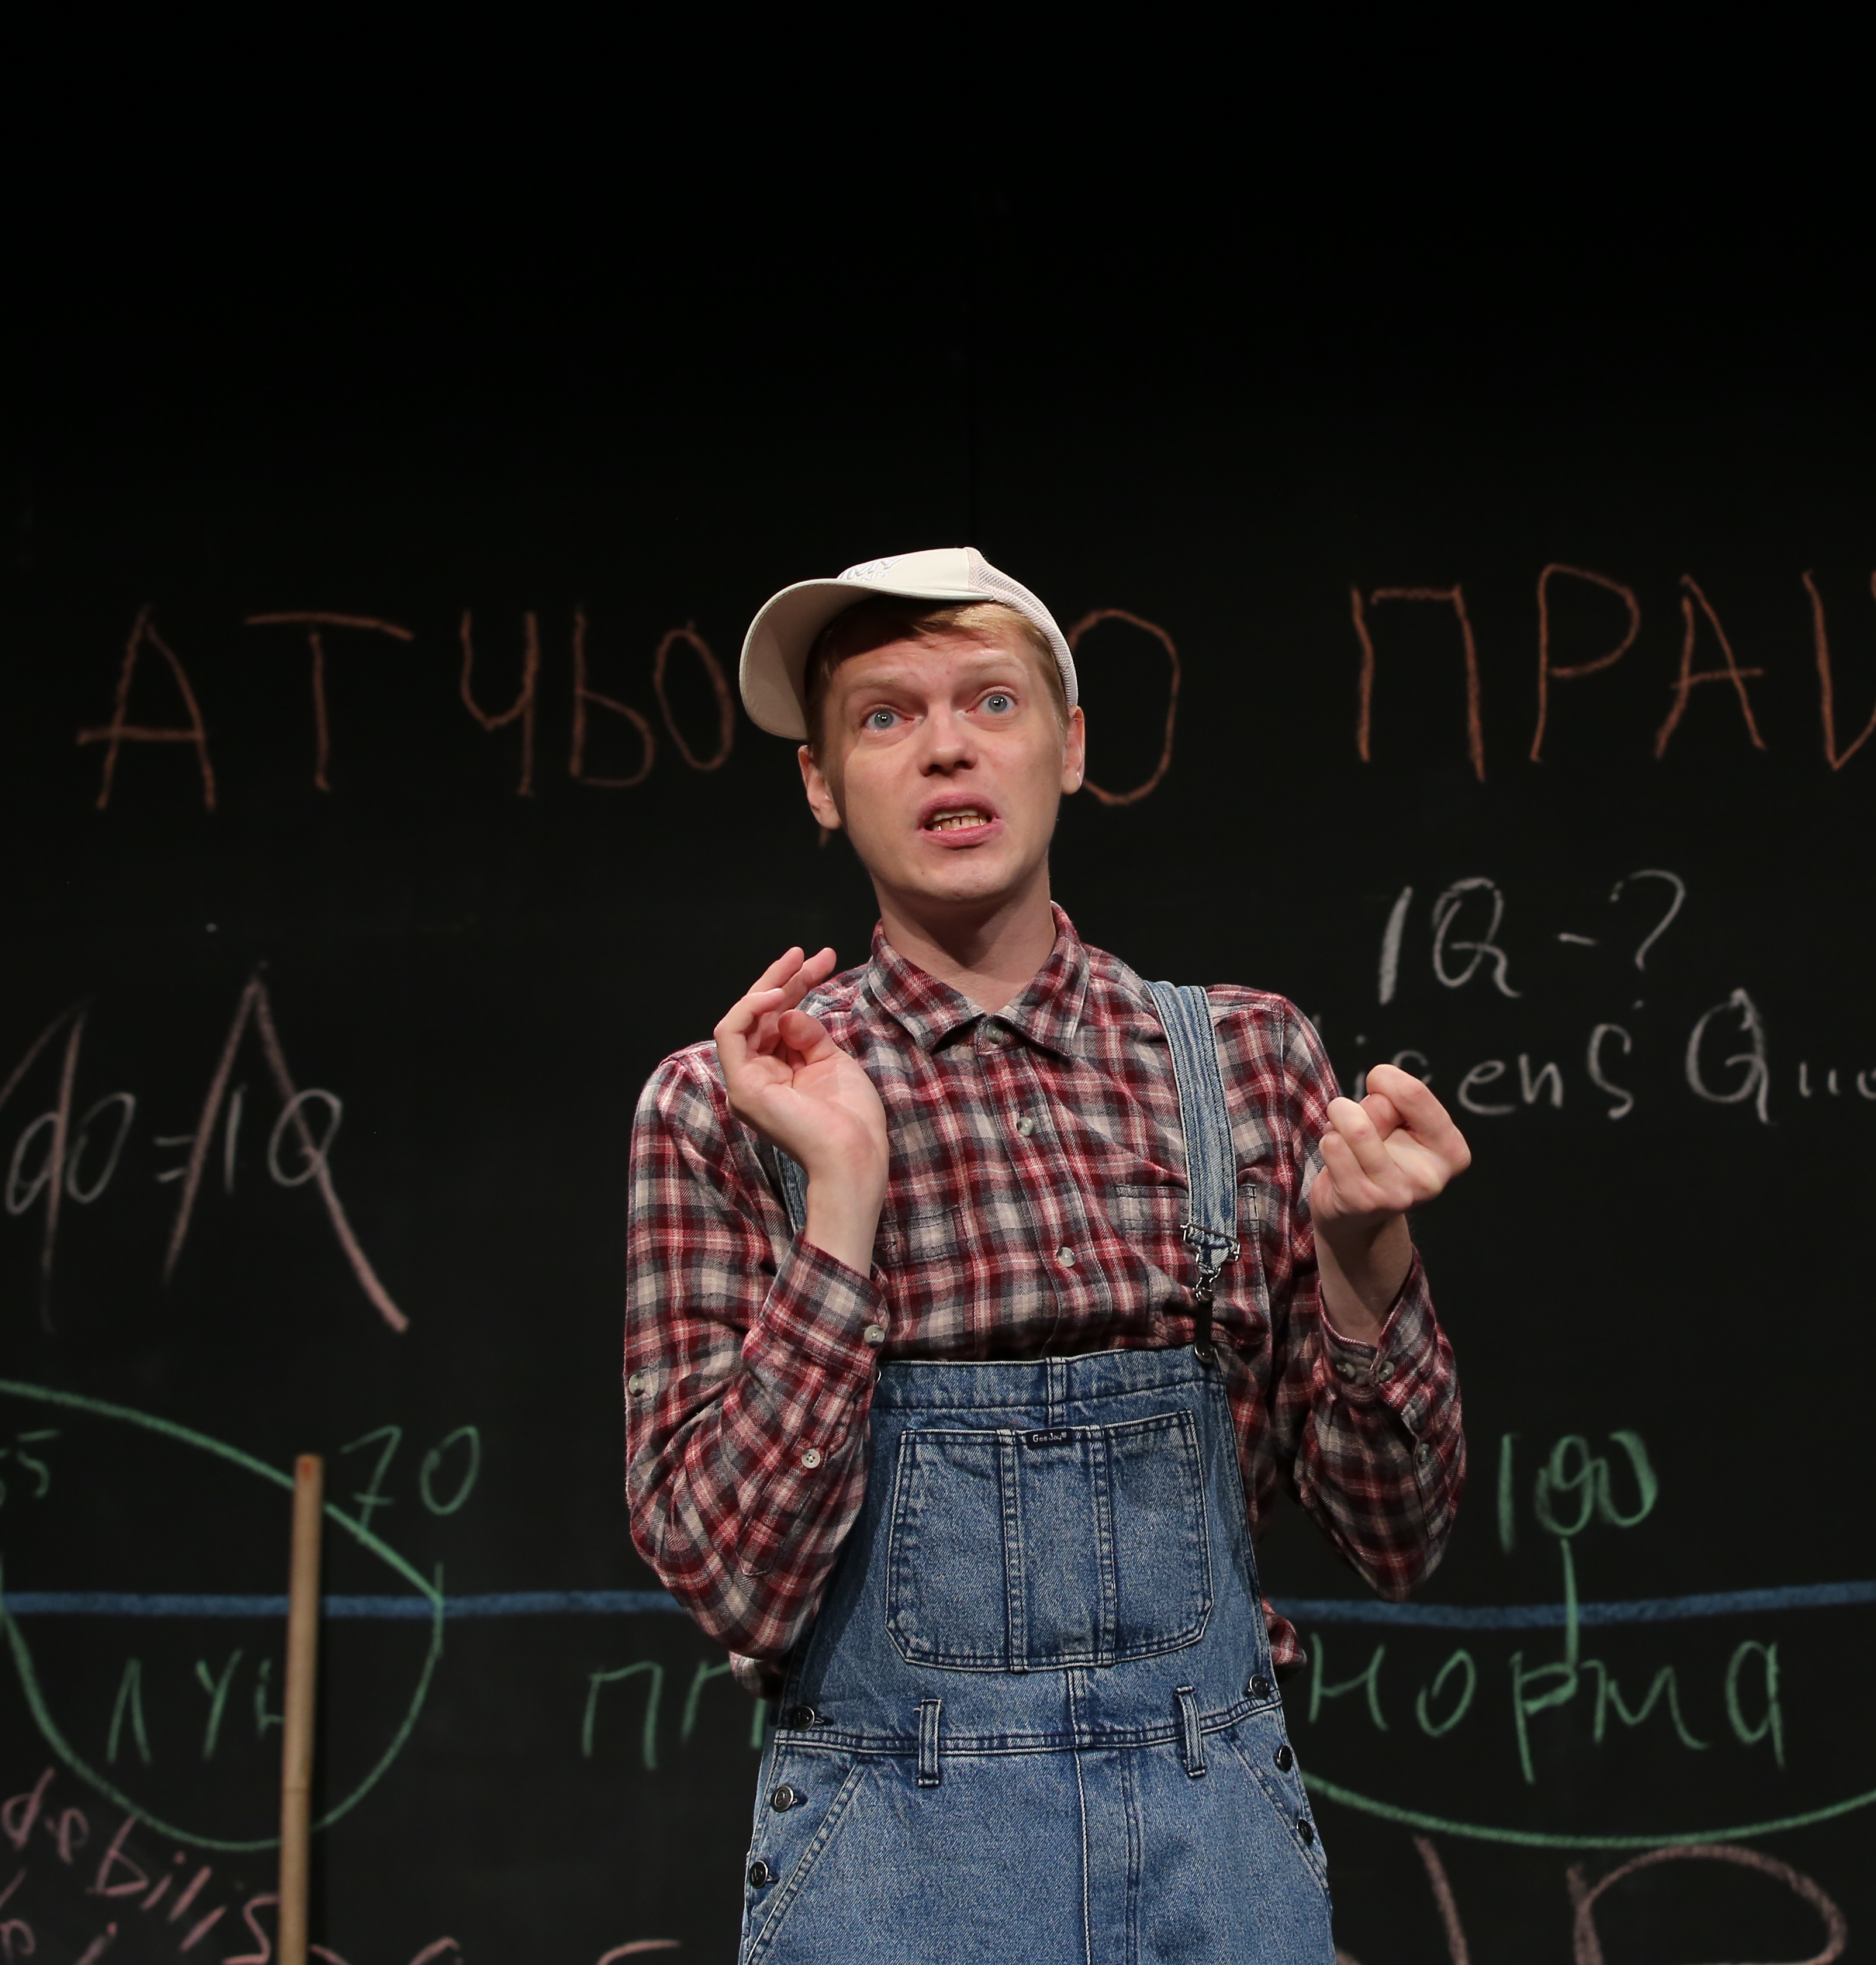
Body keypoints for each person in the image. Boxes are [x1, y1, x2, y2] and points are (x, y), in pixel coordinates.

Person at [621, 547, 1469, 1964]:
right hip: (891, 1867)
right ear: (822, 785)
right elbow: (730, 1580)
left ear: (1070, 748)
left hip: (1215, 1862)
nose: (946, 745)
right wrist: (841, 1206)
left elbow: (1400, 1538)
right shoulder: (729, 1105)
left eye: (992, 701)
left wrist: (1363, 1261)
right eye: (885, 716)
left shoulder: (1246, 1062)